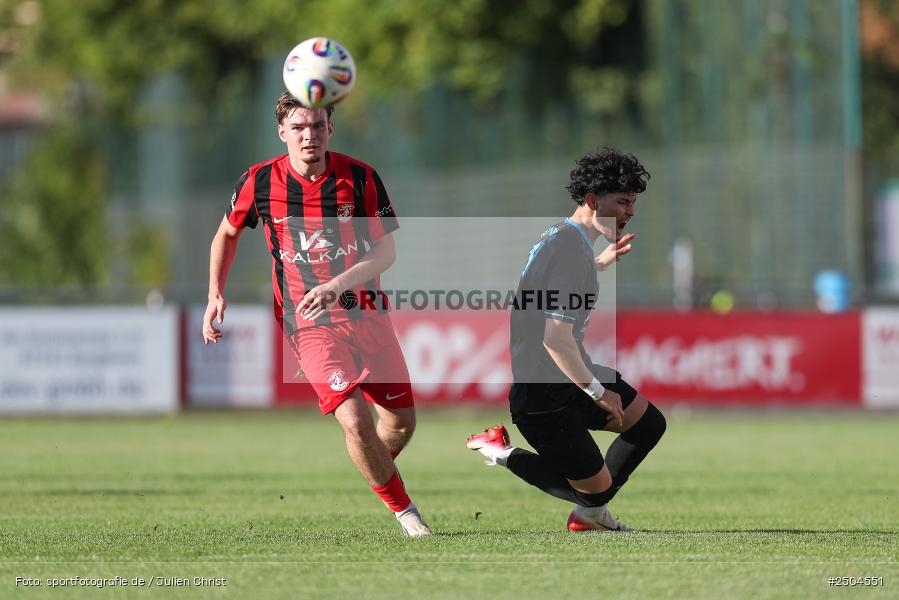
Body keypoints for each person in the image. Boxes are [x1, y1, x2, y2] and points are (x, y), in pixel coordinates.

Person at [202, 92, 431, 537]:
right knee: (355, 420)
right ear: (282, 132)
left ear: (331, 128)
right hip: (308, 324)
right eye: (300, 127)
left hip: (367, 315)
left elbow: (385, 251)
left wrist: (336, 286)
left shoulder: (361, 178)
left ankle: (370, 465)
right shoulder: (260, 182)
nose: (310, 135)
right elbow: (226, 233)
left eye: (318, 125)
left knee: (401, 424)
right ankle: (407, 515)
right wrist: (215, 293)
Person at [466, 148, 666, 532]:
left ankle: (592, 513)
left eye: (634, 202)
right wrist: (596, 391)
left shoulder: (563, 238)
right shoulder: (570, 250)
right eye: (623, 201)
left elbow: (550, 286)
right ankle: (501, 451)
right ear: (592, 201)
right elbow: (554, 340)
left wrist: (598, 264)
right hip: (544, 398)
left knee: (648, 425)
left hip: (569, 376)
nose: (631, 212)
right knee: (594, 493)